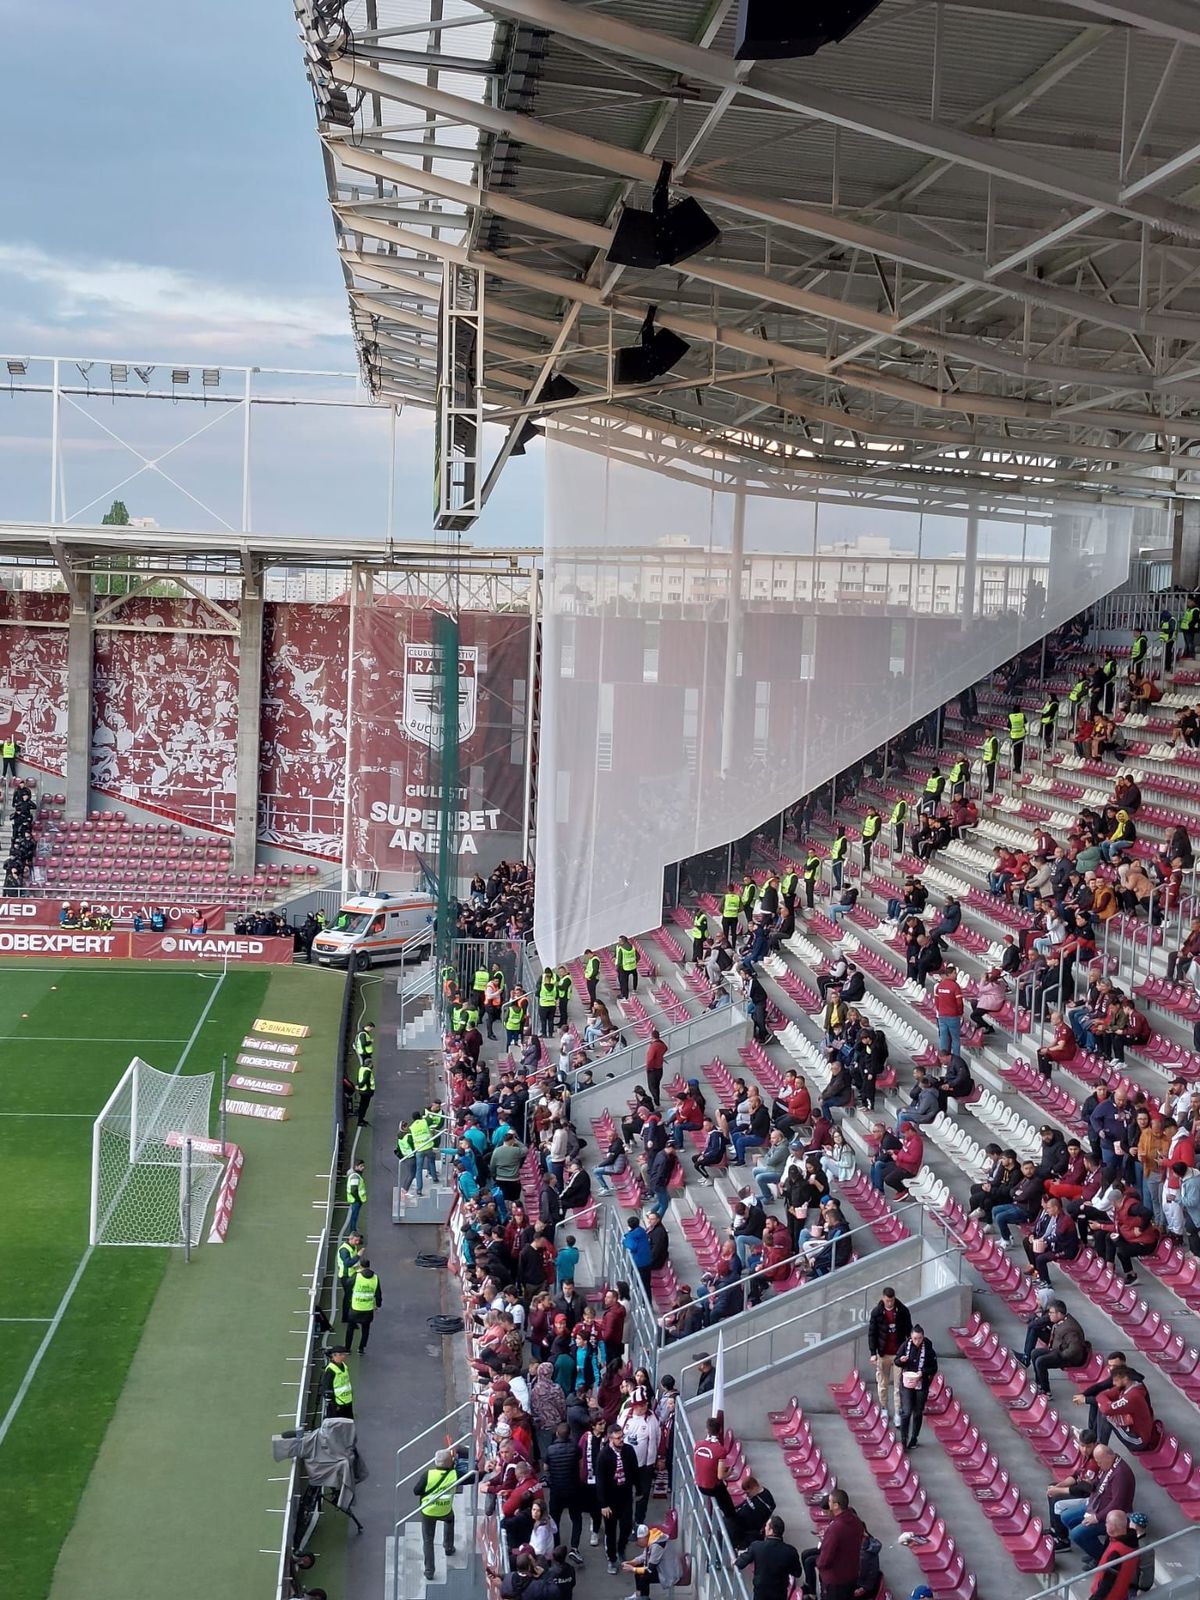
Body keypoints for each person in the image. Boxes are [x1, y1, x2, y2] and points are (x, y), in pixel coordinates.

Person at [1057, 1444, 1136, 1565]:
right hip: (1096, 1504)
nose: (1098, 1465)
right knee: (1066, 1516)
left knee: (1077, 1534)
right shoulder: (1108, 1465)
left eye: (1099, 1462)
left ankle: (1101, 1559)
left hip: (1108, 1515)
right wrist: (1089, 1484)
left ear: (1108, 1457)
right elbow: (1098, 1482)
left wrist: (1097, 1518)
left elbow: (1117, 1504)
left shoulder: (1121, 1475)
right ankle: (1092, 1549)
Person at [801, 1489, 864, 1600]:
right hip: (851, 1575)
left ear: (836, 1505)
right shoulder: (856, 1521)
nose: (828, 1503)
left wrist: (819, 1564)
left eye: (830, 1501)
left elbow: (825, 1558)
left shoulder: (835, 1528)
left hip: (835, 1581)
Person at [1017, 1299, 1088, 1397]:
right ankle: (1040, 1384)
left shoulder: (1070, 1329)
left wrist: (1059, 1354)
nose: (1049, 1315)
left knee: (1041, 1361)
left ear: (1059, 1314)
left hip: (1069, 1358)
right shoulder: (1061, 1320)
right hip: (1058, 1349)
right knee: (1034, 1353)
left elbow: (1074, 1350)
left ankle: (1046, 1392)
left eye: (1051, 1313)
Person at [597, 1423, 638, 1575]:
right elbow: (600, 1481)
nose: (621, 1440)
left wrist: (639, 1489)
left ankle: (621, 1549)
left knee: (626, 1525)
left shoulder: (628, 1451)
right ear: (610, 1438)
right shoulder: (604, 1455)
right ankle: (612, 1558)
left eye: (622, 1437)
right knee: (610, 1530)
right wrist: (603, 1504)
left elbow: (634, 1470)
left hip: (625, 1495)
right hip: (610, 1499)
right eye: (618, 1438)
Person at [867, 1287, 911, 1425]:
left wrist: (907, 1350)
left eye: (891, 1300)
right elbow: (872, 1333)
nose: (890, 1303)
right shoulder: (877, 1313)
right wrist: (873, 1353)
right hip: (883, 1354)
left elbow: (908, 1330)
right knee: (883, 1384)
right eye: (887, 1300)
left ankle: (898, 1411)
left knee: (898, 1386)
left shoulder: (903, 1311)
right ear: (883, 1299)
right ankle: (884, 1408)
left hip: (898, 1354)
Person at [415, 1447, 459, 1580]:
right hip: (445, 1510)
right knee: (450, 1519)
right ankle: (448, 1547)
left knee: (428, 1540)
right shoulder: (455, 1474)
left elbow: (416, 1491)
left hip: (428, 1511)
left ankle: (429, 1571)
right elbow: (473, 1474)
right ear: (450, 1463)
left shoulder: (427, 1475)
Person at [734, 1515, 804, 1600]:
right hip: (780, 1594)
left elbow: (740, 1563)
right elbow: (797, 1573)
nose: (765, 1528)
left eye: (766, 1526)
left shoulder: (756, 1546)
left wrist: (735, 1561)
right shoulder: (791, 1551)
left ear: (771, 1531)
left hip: (760, 1594)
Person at [894, 1325, 937, 1449]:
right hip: (907, 1383)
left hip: (921, 1384)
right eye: (914, 1338)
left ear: (923, 1337)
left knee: (918, 1413)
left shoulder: (928, 1348)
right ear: (911, 1337)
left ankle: (914, 1438)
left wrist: (922, 1373)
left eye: (919, 1338)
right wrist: (901, 1360)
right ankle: (903, 1439)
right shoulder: (905, 1345)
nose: (917, 1341)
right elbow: (896, 1361)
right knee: (906, 1412)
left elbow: (934, 1367)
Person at [622, 1520, 683, 1598]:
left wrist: (633, 1569)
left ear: (643, 1538)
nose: (636, 1543)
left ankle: (643, 1598)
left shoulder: (657, 1545)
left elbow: (649, 1570)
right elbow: (645, 1556)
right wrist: (632, 1562)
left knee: (644, 1576)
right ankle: (639, 1595)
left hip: (669, 1574)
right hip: (662, 1568)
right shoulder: (651, 1537)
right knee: (639, 1570)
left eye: (637, 1540)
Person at [693, 1415, 735, 1521]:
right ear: (720, 1430)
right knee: (729, 1509)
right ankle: (731, 1523)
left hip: (699, 1484)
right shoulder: (720, 1450)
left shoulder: (697, 1445)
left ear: (706, 1429)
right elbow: (720, 1476)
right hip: (711, 1488)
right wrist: (729, 1472)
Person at [1089, 1511, 1139, 1600]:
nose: (1105, 1525)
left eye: (1107, 1522)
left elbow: (1107, 1583)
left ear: (1113, 1527)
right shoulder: (1131, 1543)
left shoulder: (1117, 1552)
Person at [725, 1476, 777, 1550]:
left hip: (745, 1530)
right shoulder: (753, 1495)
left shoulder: (766, 1501)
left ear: (753, 1487)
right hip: (738, 1521)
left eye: (748, 1492)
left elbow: (758, 1522)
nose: (747, 1494)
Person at [345, 1256, 381, 1352]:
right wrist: (378, 1305)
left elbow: (348, 1284)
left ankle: (347, 1348)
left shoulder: (357, 1276)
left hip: (355, 1307)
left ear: (360, 1266)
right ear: (369, 1266)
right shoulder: (375, 1278)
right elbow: (378, 1294)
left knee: (350, 1329)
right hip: (368, 1309)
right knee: (365, 1330)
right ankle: (361, 1348)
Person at [336, 1231, 364, 1323]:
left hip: (352, 1274)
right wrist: (358, 1256)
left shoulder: (353, 1246)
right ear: (350, 1239)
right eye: (356, 1240)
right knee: (348, 1297)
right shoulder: (344, 1250)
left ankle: (348, 1316)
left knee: (350, 1296)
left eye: (358, 1241)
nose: (357, 1242)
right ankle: (346, 1317)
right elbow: (348, 1263)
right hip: (346, 1277)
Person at [322, 1346, 354, 1418]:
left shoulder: (344, 1366)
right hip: (337, 1404)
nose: (344, 1356)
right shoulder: (330, 1370)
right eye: (342, 1354)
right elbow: (326, 1388)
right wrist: (333, 1404)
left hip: (347, 1401)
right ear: (335, 1356)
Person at [644, 1029, 666, 1106]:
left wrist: (648, 1068)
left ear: (652, 1037)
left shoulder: (654, 1046)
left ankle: (657, 1103)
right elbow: (666, 1048)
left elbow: (650, 1059)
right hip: (660, 1068)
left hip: (653, 1069)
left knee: (652, 1087)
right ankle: (657, 1101)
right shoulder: (662, 1044)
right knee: (657, 1086)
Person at [346, 1158, 367, 1234]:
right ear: (356, 1167)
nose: (363, 1168)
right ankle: (353, 1232)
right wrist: (358, 1199)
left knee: (354, 1217)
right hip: (356, 1200)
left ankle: (353, 1231)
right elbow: (353, 1190)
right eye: (361, 1166)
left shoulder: (356, 1175)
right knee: (354, 1217)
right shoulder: (355, 1176)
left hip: (356, 1200)